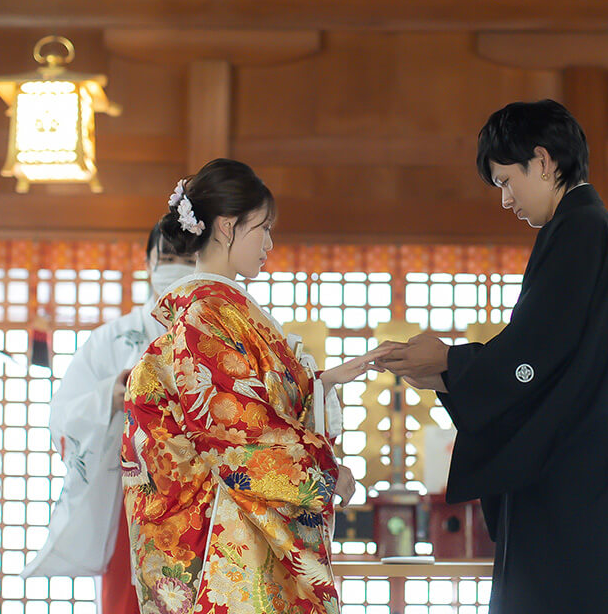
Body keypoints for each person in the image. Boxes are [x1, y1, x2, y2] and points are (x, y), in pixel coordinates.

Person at [376, 100, 608, 614]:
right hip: (601, 477)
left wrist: (452, 365)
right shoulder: (591, 230)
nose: (505, 200)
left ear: (543, 163)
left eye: (505, 181)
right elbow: (549, 358)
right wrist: (449, 373)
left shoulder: (582, 231)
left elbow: (533, 358)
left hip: (584, 492)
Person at [121, 159, 385, 614]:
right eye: (262, 228)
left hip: (237, 525)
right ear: (227, 226)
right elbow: (237, 433)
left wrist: (320, 384)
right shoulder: (206, 316)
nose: (269, 243)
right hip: (224, 542)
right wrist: (322, 475)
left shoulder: (223, 311)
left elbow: (256, 403)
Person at [24, 219, 197, 614]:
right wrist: (111, 396)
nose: (175, 267)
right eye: (167, 257)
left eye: (186, 258)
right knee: (127, 599)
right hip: (131, 493)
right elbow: (65, 411)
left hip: (198, 493)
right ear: (148, 262)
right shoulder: (110, 339)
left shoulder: (209, 333)